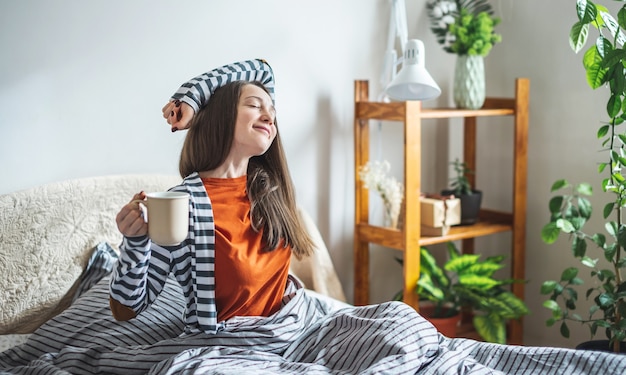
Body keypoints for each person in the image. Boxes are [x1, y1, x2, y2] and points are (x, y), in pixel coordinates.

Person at [110, 59, 315, 334]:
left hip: (296, 328)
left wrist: (195, 99)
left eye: (272, 111)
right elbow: (126, 309)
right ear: (221, 114)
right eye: (255, 106)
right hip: (232, 348)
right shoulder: (182, 204)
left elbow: (263, 70)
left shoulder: (269, 189)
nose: (269, 117)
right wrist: (135, 243)